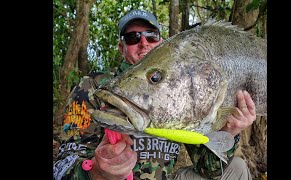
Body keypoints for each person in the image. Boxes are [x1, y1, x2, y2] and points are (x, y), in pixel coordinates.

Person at [53, 9, 255, 180]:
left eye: (151, 35)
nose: (143, 43)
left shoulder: (183, 86)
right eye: (133, 37)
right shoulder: (93, 86)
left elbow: (208, 170)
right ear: (121, 48)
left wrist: (228, 133)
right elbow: (61, 165)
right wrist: (95, 171)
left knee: (236, 167)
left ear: (162, 43)